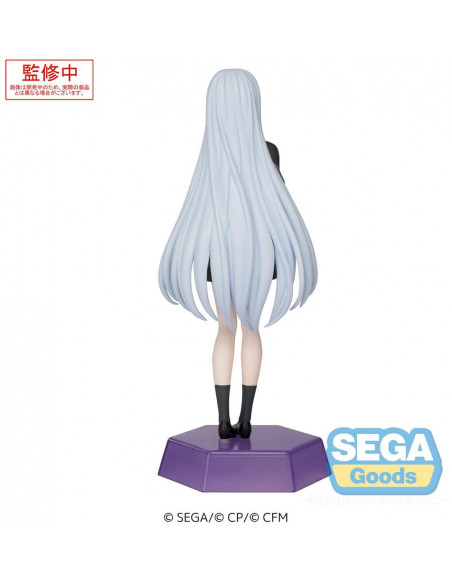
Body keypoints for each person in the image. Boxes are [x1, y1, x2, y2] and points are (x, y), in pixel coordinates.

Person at [158, 69, 317, 439]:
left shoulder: (209, 158)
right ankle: (245, 419)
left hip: (217, 254)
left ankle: (223, 419)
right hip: (258, 254)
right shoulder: (267, 153)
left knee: (225, 329)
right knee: (250, 328)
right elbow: (278, 207)